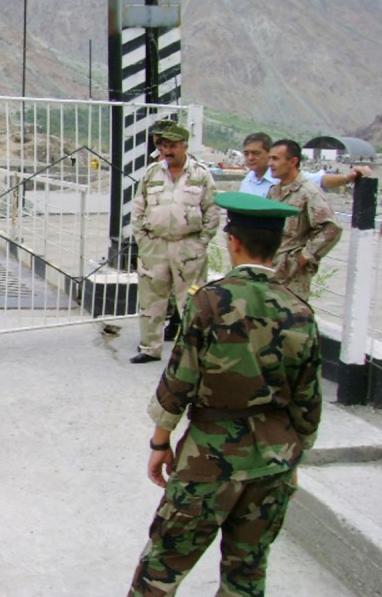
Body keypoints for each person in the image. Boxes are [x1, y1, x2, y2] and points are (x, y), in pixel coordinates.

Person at [127, 191, 322, 596]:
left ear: (232, 242)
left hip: (208, 460)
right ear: (278, 245)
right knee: (247, 574)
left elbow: (179, 380)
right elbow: (308, 401)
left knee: (162, 568)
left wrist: (160, 442)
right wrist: (293, 455)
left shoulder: (210, 302)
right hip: (273, 462)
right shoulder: (299, 310)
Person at [130, 125, 218, 364]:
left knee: (192, 301)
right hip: (155, 246)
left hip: (188, 247)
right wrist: (143, 240)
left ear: (184, 147)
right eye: (164, 146)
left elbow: (212, 210)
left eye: (173, 146)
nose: (168, 151)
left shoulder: (200, 174)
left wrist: (201, 243)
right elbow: (138, 208)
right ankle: (150, 348)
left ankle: (193, 353)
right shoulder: (152, 173)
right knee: (151, 299)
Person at [266, 139, 342, 299]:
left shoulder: (308, 192)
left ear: (293, 161)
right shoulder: (274, 192)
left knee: (291, 313)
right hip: (271, 268)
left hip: (293, 275)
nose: (270, 163)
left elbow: (331, 229)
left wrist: (305, 256)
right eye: (270, 158)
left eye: (275, 159)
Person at [240, 132, 372, 197]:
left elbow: (321, 180)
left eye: (255, 153)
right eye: (246, 154)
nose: (250, 158)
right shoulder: (248, 180)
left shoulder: (284, 176)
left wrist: (348, 178)